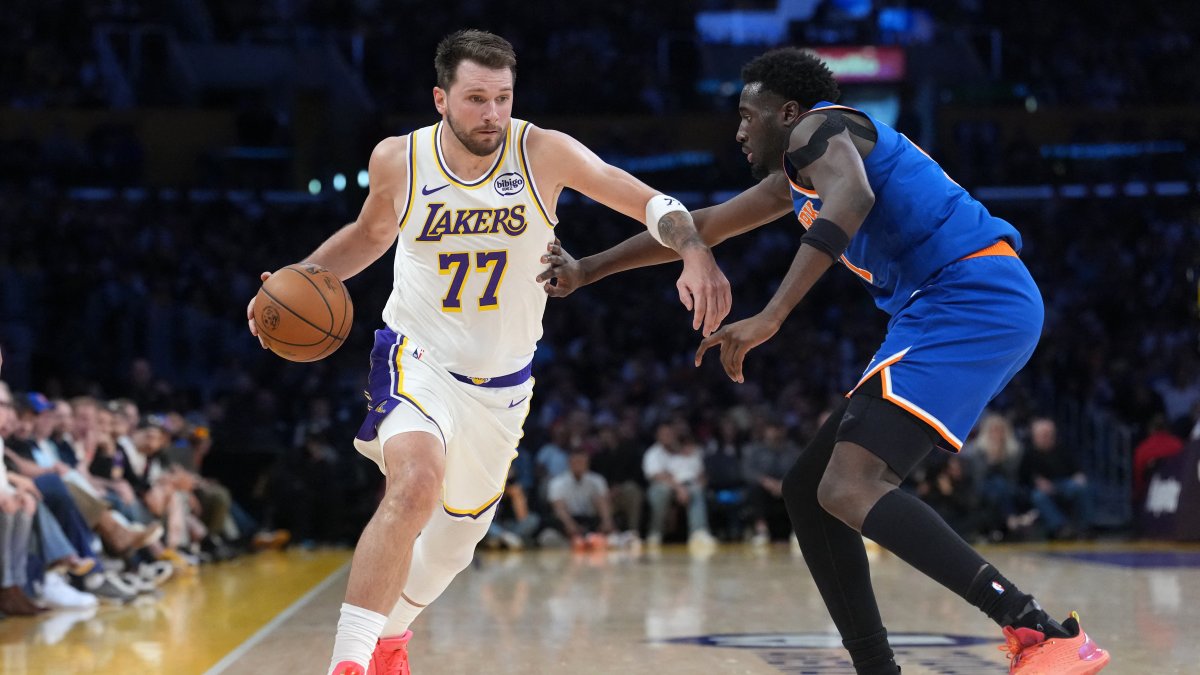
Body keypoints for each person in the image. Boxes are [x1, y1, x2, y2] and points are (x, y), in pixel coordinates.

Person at [540, 47, 1109, 674]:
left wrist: (771, 316)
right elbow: (703, 224)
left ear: (787, 113)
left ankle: (1041, 633)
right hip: (947, 305)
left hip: (969, 295)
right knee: (810, 491)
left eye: (748, 115)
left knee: (849, 485)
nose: (738, 130)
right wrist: (588, 268)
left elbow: (852, 200)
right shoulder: (799, 173)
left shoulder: (823, 127)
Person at [245, 29, 730, 675]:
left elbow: (645, 199)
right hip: (416, 356)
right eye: (476, 99)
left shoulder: (542, 152)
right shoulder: (400, 158)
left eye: (503, 97)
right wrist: (293, 278)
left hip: (503, 385)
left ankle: (389, 639)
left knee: (454, 545)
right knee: (414, 483)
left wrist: (693, 248)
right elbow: (370, 234)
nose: (493, 114)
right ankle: (348, 663)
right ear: (441, 98)